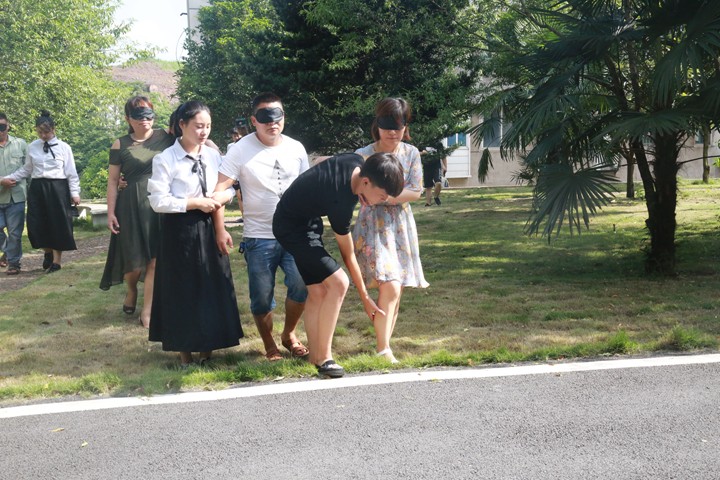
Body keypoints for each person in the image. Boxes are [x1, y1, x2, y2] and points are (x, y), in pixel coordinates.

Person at [269, 152, 404, 378]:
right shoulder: (340, 201)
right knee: (339, 282)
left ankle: (315, 357)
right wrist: (365, 298)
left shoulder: (357, 161)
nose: (382, 200)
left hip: (308, 223)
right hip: (290, 228)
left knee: (317, 290)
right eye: (381, 195)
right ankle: (325, 358)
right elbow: (347, 254)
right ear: (366, 182)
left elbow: (323, 163)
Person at [214, 92, 310, 361]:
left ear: (284, 117)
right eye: (265, 117)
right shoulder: (239, 149)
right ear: (254, 120)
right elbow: (220, 188)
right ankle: (269, 344)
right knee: (261, 296)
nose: (272, 123)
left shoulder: (296, 148)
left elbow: (307, 188)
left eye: (277, 116)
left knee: (301, 285)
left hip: (294, 234)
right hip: (259, 236)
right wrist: (220, 228)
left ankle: (289, 335)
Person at [148, 100, 243, 367]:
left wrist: (222, 201)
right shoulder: (165, 159)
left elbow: (228, 188)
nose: (204, 132)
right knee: (182, 289)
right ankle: (185, 353)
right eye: (198, 126)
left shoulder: (213, 156)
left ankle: (207, 350)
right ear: (182, 125)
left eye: (208, 126)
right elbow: (158, 201)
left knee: (211, 284)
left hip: (211, 224)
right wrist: (193, 203)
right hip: (179, 229)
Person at [353, 97, 429, 364]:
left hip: (400, 226)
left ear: (405, 126)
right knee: (390, 285)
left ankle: (384, 347)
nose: (392, 132)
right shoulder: (363, 154)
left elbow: (415, 191)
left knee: (396, 290)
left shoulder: (411, 153)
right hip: (372, 225)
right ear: (377, 125)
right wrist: (384, 197)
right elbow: (358, 189)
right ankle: (383, 348)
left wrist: (384, 197)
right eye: (387, 126)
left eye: (398, 126)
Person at [99, 96, 175, 328]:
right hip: (130, 206)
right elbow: (113, 181)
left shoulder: (166, 137)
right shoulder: (119, 144)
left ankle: (148, 310)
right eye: (138, 115)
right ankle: (131, 289)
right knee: (133, 259)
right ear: (128, 119)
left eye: (148, 114)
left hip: (160, 204)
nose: (145, 120)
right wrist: (110, 212)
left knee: (155, 258)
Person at [2, 110, 79, 273]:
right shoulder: (32, 147)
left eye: (47, 132)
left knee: (57, 223)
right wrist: (7, 178)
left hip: (57, 188)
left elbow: (71, 172)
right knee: (37, 224)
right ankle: (48, 252)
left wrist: (75, 193)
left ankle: (57, 262)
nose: (43, 136)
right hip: (37, 188)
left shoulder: (64, 147)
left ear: (53, 130)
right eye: (40, 132)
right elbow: (27, 169)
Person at [0, 113, 28, 275]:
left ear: (8, 126)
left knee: (15, 234)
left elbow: (29, 168)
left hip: (16, 197)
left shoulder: (21, 144)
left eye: (2, 126)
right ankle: (9, 252)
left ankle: (14, 264)